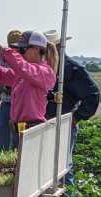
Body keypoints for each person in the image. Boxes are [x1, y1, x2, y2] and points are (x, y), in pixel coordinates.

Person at [0, 31, 58, 148]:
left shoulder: (44, 72)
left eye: (22, 50)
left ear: (37, 49)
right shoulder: (23, 74)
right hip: (17, 131)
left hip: (32, 131)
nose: (20, 53)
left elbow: (18, 64)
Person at [44, 30, 100, 185]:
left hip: (64, 124)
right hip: (46, 123)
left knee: (62, 168)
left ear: (59, 47)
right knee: (49, 168)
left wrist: (76, 117)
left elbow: (93, 94)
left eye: (48, 48)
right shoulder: (49, 67)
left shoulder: (72, 69)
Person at [0, 30, 22, 150]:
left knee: (18, 138)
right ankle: (3, 162)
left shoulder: (25, 62)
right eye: (12, 46)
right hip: (7, 104)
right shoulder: (4, 60)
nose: (14, 50)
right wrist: (5, 88)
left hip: (20, 107)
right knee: (3, 137)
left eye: (17, 47)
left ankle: (15, 162)